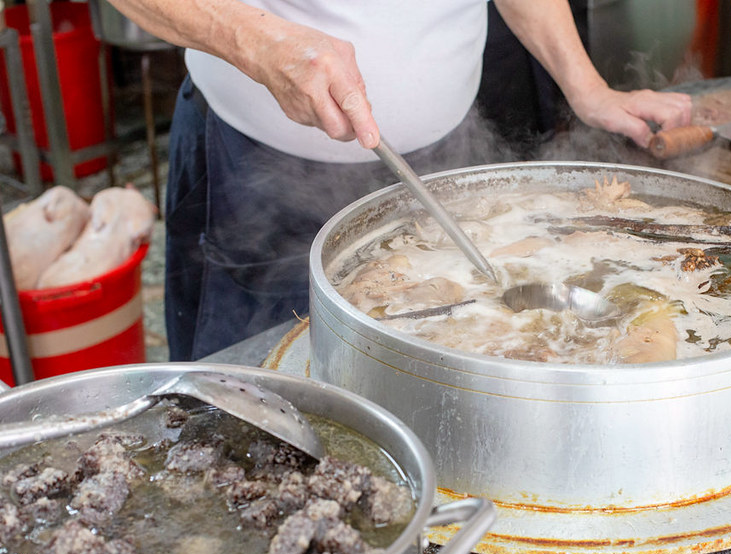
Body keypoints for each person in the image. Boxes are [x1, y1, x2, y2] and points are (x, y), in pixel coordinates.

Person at [107, 0, 693, 360]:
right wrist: (258, 40)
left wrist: (586, 88)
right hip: (253, 168)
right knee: (250, 412)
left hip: (441, 164)